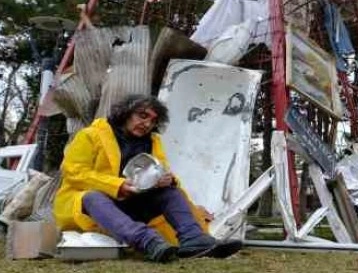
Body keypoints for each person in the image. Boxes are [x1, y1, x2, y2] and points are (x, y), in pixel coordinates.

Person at [53, 94, 242, 263]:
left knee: (170, 191)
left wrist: (166, 180)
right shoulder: (90, 135)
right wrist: (118, 185)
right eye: (143, 116)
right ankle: (147, 242)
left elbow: (161, 173)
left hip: (132, 205)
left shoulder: (152, 141)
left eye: (153, 121)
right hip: (91, 208)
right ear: (125, 113)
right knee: (92, 197)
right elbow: (73, 171)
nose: (147, 124)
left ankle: (195, 241)